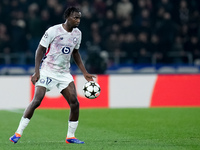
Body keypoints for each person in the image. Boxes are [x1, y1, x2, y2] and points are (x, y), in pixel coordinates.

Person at [9, 6, 95, 144]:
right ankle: (17, 133)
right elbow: (40, 49)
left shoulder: (78, 33)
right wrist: (37, 71)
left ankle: (70, 137)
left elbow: (76, 53)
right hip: (48, 70)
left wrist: (84, 72)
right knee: (37, 100)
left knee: (75, 103)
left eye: (79, 18)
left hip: (64, 73)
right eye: (75, 17)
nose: (78, 20)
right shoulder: (53, 30)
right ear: (67, 17)